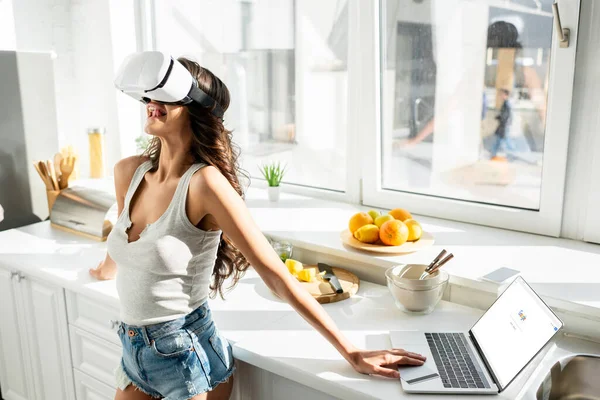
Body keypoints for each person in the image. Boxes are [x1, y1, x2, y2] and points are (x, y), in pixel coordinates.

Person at [89, 56, 426, 400]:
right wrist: (104, 269)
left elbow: (276, 275)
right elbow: (126, 239)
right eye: (148, 95)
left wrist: (351, 351)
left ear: (196, 106)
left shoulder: (205, 185)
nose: (151, 102)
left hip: (187, 357)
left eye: (165, 93)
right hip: (134, 352)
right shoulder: (129, 172)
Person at [490, 89, 514, 160]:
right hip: (503, 126)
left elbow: (505, 116)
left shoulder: (507, 104)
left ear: (506, 95)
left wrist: (500, 118)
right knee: (500, 141)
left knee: (502, 141)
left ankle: (511, 154)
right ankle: (493, 154)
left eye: (502, 94)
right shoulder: (505, 104)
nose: (501, 96)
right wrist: (499, 117)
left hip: (504, 126)